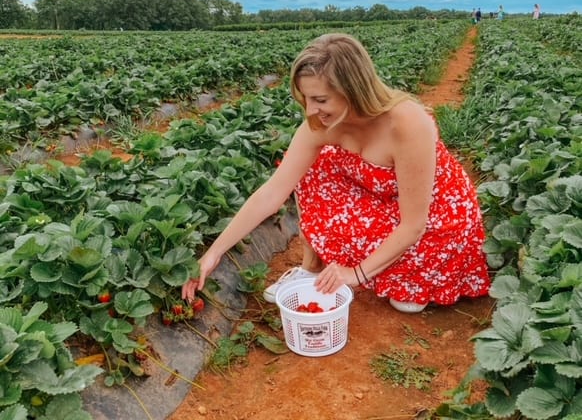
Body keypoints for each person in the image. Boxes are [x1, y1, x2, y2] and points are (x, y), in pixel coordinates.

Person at [182, 34, 491, 314]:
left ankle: (397, 269)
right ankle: (311, 267)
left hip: (434, 214)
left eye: (320, 100)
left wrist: (353, 275)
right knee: (313, 165)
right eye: (306, 99)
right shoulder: (320, 124)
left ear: (352, 90)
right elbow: (273, 193)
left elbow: (414, 224)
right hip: (379, 196)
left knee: (407, 302)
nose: (310, 111)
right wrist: (213, 254)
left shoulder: (406, 122)